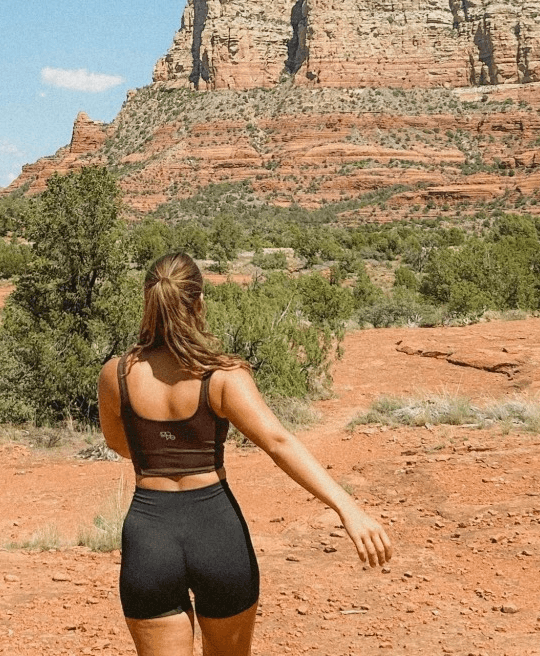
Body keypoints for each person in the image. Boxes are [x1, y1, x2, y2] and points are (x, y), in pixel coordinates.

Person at [98, 252, 392, 656]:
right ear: (198, 303)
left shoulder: (116, 374)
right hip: (216, 532)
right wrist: (347, 507)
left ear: (148, 302)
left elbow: (119, 444)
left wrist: (163, 447)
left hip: (150, 535)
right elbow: (279, 442)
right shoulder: (222, 375)